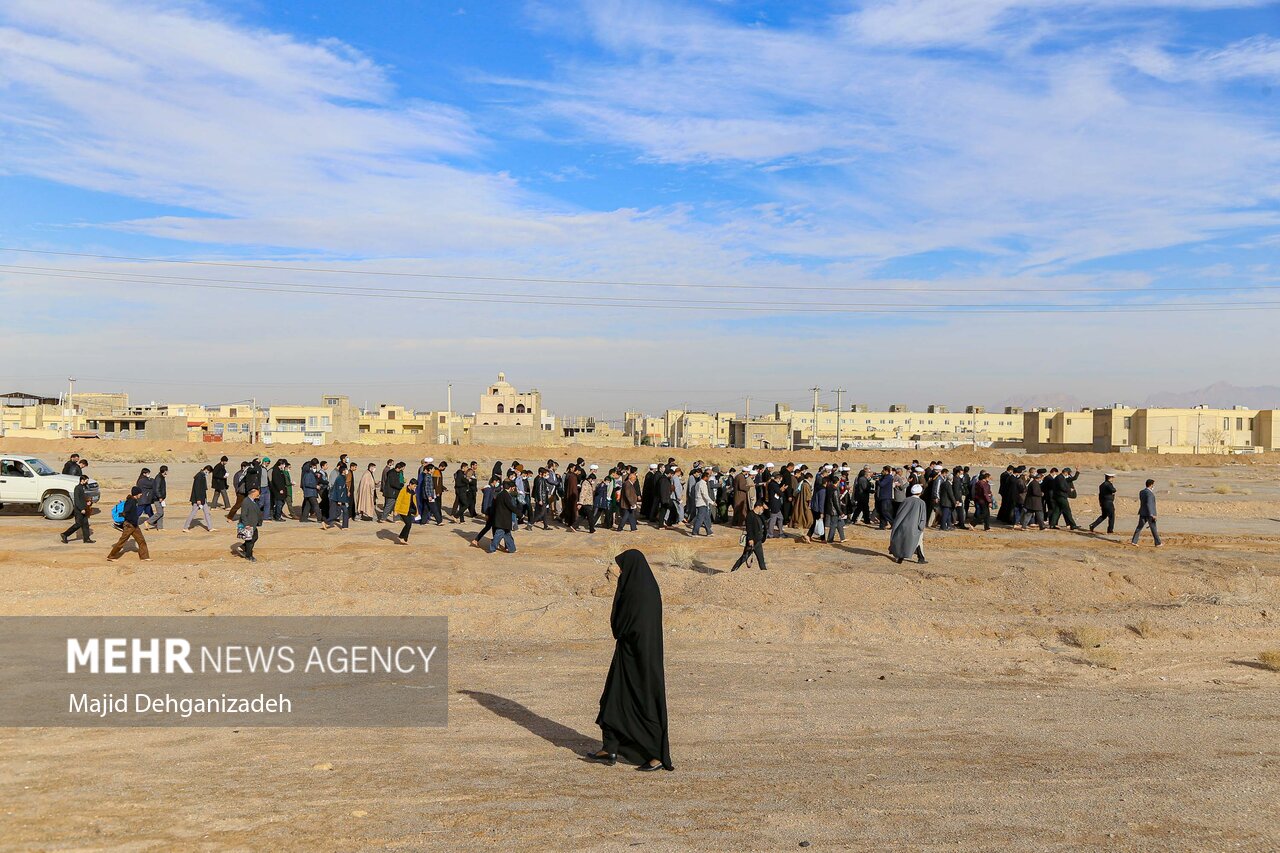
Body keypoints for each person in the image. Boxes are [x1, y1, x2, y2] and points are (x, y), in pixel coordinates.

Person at [586, 549, 673, 772]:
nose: (620, 573)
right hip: (629, 654)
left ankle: (656, 755)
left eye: (622, 568)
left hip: (641, 659)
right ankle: (610, 747)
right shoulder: (644, 587)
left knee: (644, 702)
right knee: (613, 698)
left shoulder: (639, 591)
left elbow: (623, 623)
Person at [107, 487, 150, 561]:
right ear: (136, 494)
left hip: (134, 525)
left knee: (141, 540)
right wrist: (129, 520)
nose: (141, 494)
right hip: (129, 525)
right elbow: (125, 512)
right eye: (140, 493)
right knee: (122, 542)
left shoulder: (134, 501)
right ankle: (111, 556)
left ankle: (144, 557)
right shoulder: (130, 501)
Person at [889, 484, 927, 565]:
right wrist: (921, 527)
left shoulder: (905, 500)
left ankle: (900, 558)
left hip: (903, 524)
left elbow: (899, 513)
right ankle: (921, 558)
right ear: (920, 492)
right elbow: (922, 517)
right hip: (914, 526)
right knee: (918, 541)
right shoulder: (921, 502)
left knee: (903, 541)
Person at [732, 500, 768, 571]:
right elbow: (749, 528)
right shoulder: (750, 515)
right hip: (752, 541)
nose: (762, 510)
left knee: (761, 559)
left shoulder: (760, 515)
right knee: (744, 557)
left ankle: (764, 572)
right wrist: (750, 539)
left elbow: (767, 517)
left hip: (758, 541)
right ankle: (733, 570)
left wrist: (766, 509)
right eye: (762, 508)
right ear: (758, 507)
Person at [60, 474, 95, 544]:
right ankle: (65, 534)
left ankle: (86, 539)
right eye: (86, 481)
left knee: (85, 524)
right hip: (79, 510)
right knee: (78, 524)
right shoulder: (77, 488)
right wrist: (81, 509)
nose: (87, 482)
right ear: (82, 480)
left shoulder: (82, 488)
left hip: (84, 508)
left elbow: (82, 499)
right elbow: (77, 500)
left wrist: (88, 503)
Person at [489, 480, 519, 554]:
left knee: (507, 534)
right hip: (503, 519)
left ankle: (512, 549)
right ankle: (492, 548)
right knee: (499, 533)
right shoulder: (506, 495)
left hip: (501, 518)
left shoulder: (500, 494)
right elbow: (511, 507)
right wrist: (520, 514)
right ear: (511, 488)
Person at [1131, 479, 1162, 546]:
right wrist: (1152, 514)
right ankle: (1158, 543)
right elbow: (1149, 504)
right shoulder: (1150, 494)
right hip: (1149, 514)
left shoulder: (1141, 492)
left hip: (1142, 512)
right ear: (1151, 485)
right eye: (1153, 484)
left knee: (1139, 527)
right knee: (1153, 528)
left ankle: (1134, 541)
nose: (1154, 486)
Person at [238, 486, 263, 561]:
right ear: (252, 494)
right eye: (257, 494)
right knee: (250, 540)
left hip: (253, 524)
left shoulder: (252, 501)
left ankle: (244, 547)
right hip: (249, 524)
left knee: (254, 538)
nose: (258, 496)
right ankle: (249, 555)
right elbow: (243, 514)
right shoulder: (246, 501)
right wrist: (246, 525)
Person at [395, 478, 420, 544]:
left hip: (409, 510)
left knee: (409, 524)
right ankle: (404, 539)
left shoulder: (413, 492)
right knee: (408, 524)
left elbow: (414, 503)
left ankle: (402, 537)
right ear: (410, 484)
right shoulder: (403, 490)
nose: (415, 487)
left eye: (415, 486)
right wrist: (396, 510)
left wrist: (417, 512)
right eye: (414, 486)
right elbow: (399, 500)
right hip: (402, 510)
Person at [326, 462, 350, 529]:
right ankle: (326, 522)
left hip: (341, 498)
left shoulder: (342, 477)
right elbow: (339, 490)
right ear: (343, 471)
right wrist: (339, 500)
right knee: (338, 513)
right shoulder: (340, 478)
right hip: (338, 498)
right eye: (345, 469)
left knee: (344, 511)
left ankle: (345, 526)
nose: (346, 471)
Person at [690, 469, 714, 537]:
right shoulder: (703, 484)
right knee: (700, 519)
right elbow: (705, 494)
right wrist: (712, 502)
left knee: (705, 518)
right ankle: (694, 532)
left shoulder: (698, 483)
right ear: (706, 477)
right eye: (708, 477)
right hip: (702, 503)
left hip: (700, 502)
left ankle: (709, 532)